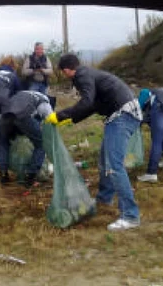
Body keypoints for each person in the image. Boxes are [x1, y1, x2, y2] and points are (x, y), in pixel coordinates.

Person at [45, 54, 143, 231]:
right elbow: (92, 106)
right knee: (105, 161)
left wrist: (60, 115)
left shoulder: (81, 76)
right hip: (122, 114)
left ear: (66, 70)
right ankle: (104, 198)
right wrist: (70, 119)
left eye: (64, 72)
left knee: (115, 166)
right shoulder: (89, 74)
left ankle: (130, 215)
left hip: (122, 116)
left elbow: (87, 101)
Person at [0, 90, 53, 187]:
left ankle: (3, 174)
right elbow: (50, 118)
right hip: (23, 115)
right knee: (41, 144)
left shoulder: (21, 93)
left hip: (4, 116)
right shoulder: (44, 100)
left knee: (4, 142)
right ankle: (30, 176)